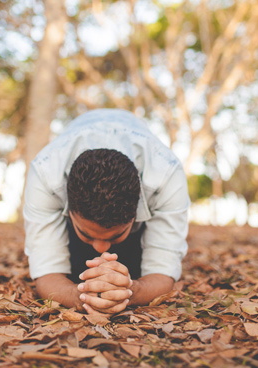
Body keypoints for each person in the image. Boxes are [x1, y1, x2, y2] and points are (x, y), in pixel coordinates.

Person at [23, 109, 189, 314]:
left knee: (133, 267)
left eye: (117, 234)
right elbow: (47, 272)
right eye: (87, 233)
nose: (101, 248)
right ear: (69, 208)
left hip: (138, 231)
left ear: (135, 212)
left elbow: (163, 271)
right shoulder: (46, 172)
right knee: (77, 270)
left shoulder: (166, 174)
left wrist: (130, 291)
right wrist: (79, 295)